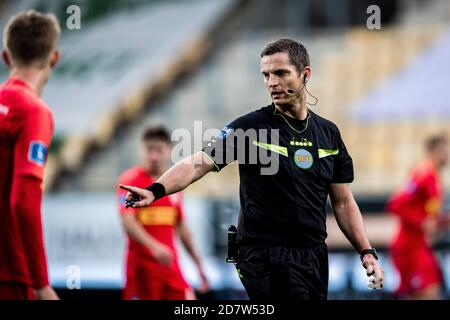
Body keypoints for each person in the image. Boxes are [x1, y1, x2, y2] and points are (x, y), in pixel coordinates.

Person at [120, 39, 384, 300]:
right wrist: (155, 191)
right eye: (266, 75)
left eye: (281, 73)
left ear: (305, 74)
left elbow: (343, 202)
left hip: (313, 255)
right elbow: (198, 163)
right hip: (264, 255)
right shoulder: (250, 129)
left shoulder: (328, 134)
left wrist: (366, 251)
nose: (271, 83)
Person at [0, 10, 60, 300]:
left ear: (6, 57)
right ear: (54, 58)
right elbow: (22, 201)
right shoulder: (32, 112)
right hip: (9, 273)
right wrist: (40, 283)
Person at [116, 126, 209, 300]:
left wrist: (199, 265)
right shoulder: (130, 181)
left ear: (169, 151)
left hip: (170, 266)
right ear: (142, 149)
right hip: (141, 269)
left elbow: (182, 228)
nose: (154, 156)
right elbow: (128, 222)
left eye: (159, 150)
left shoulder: (174, 184)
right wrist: (154, 246)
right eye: (149, 149)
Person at [387, 134, 449, 300]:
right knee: (428, 293)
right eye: (445, 150)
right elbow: (395, 204)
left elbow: (428, 215)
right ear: (435, 151)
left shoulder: (434, 176)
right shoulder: (423, 174)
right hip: (409, 248)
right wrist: (422, 222)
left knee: (430, 292)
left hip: (419, 246)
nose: (448, 154)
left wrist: (443, 220)